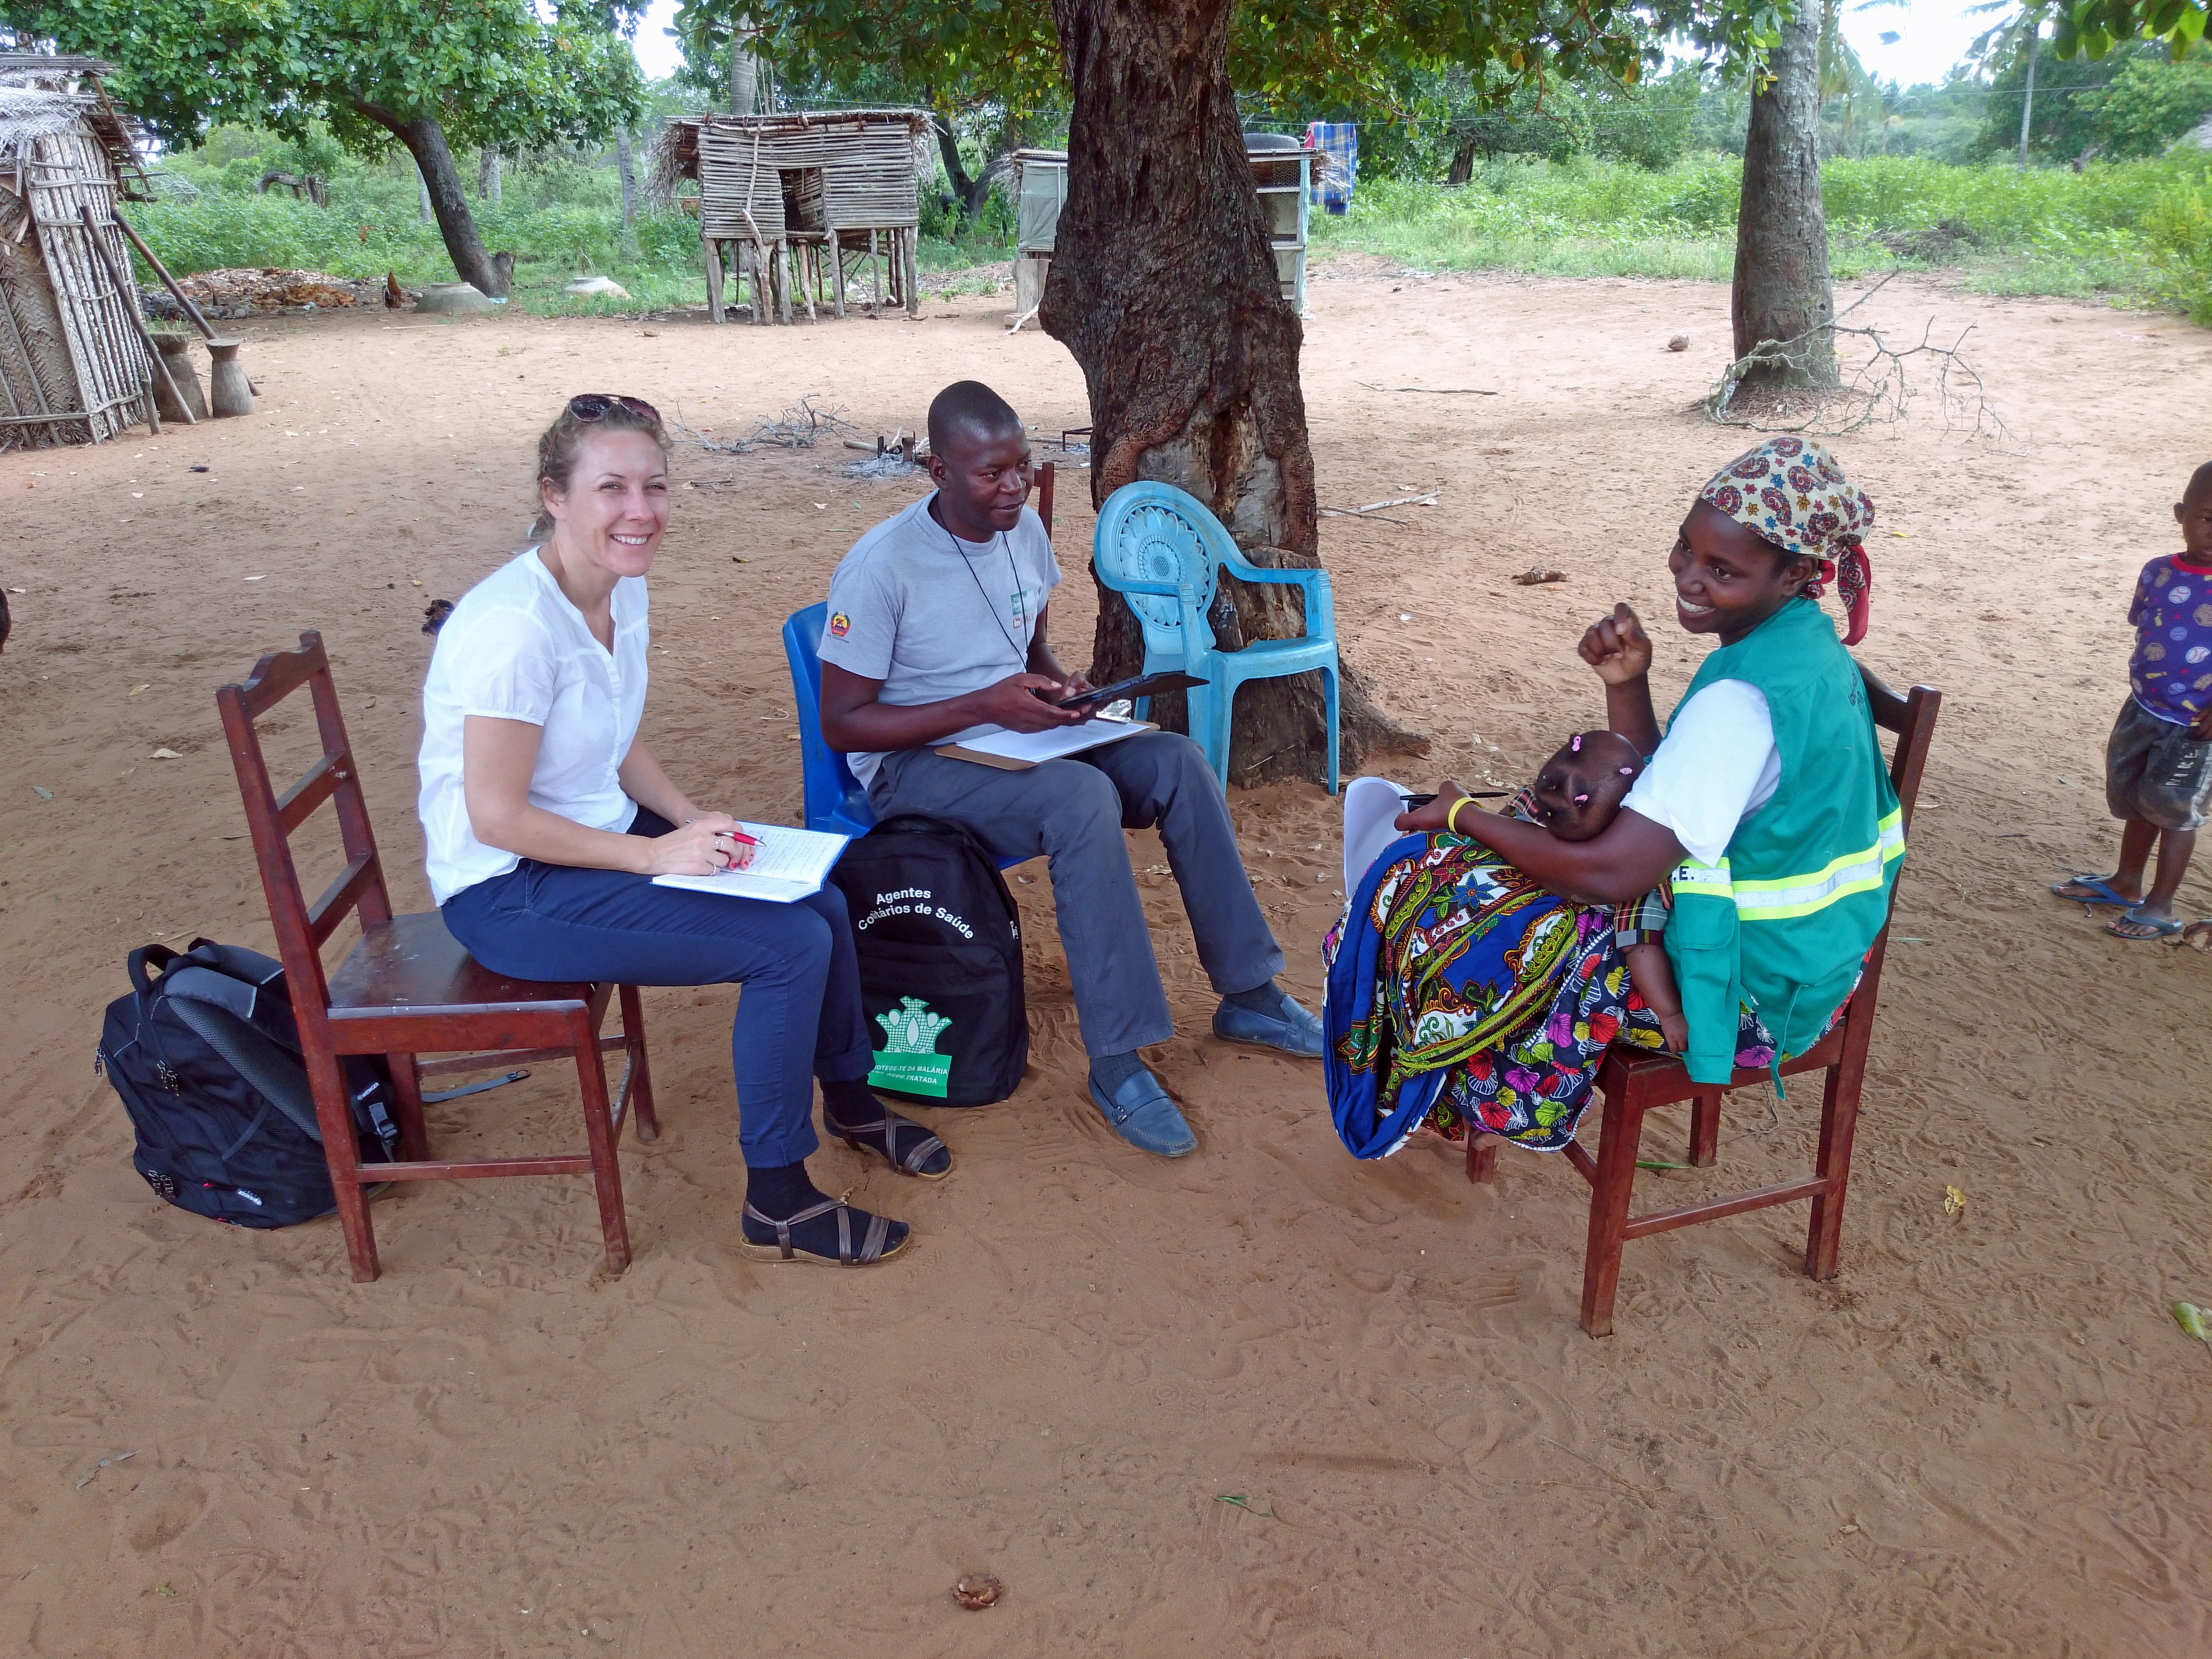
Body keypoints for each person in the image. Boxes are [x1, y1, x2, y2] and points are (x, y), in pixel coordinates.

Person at [419, 394, 936, 1269]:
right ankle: (777, 1200)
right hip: (508, 889)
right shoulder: (514, 630)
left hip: (591, 836)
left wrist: (689, 817)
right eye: (611, 488)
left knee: (818, 896)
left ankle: (850, 1101)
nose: (640, 511)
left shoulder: (619, 587)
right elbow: (496, 817)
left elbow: (615, 738)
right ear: (554, 496)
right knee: (785, 947)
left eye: (654, 486)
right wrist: (655, 852)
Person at [1327, 438, 1902, 1160]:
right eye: (1686, 548)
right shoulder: (1803, 648)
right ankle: (1442, 1076)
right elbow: (1682, 793)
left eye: (1722, 570)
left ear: (1794, 575)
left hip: (1746, 996)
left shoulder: (1741, 699)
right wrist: (1628, 684)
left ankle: (1453, 1095)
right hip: (1813, 958)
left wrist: (1460, 815)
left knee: (1448, 901)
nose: (1689, 577)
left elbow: (1612, 874)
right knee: (1505, 851)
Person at [816, 380, 1322, 1158]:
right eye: (990, 473)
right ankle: (1117, 1061)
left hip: (1012, 735)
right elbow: (843, 722)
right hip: (913, 765)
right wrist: (983, 705)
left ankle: (1249, 992)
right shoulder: (881, 567)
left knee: (1177, 761)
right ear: (938, 471)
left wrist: (1064, 690)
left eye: (1022, 465)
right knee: (1080, 799)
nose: (1013, 486)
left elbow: (1028, 648)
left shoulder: (1020, 529)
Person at [2051, 461, 2212, 941]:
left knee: (2175, 812)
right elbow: (2145, 626)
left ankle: (2161, 906)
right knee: (2140, 797)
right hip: (2145, 707)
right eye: (2207, 518)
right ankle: (2126, 882)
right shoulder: (2158, 571)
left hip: (2195, 726)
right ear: (2181, 514)